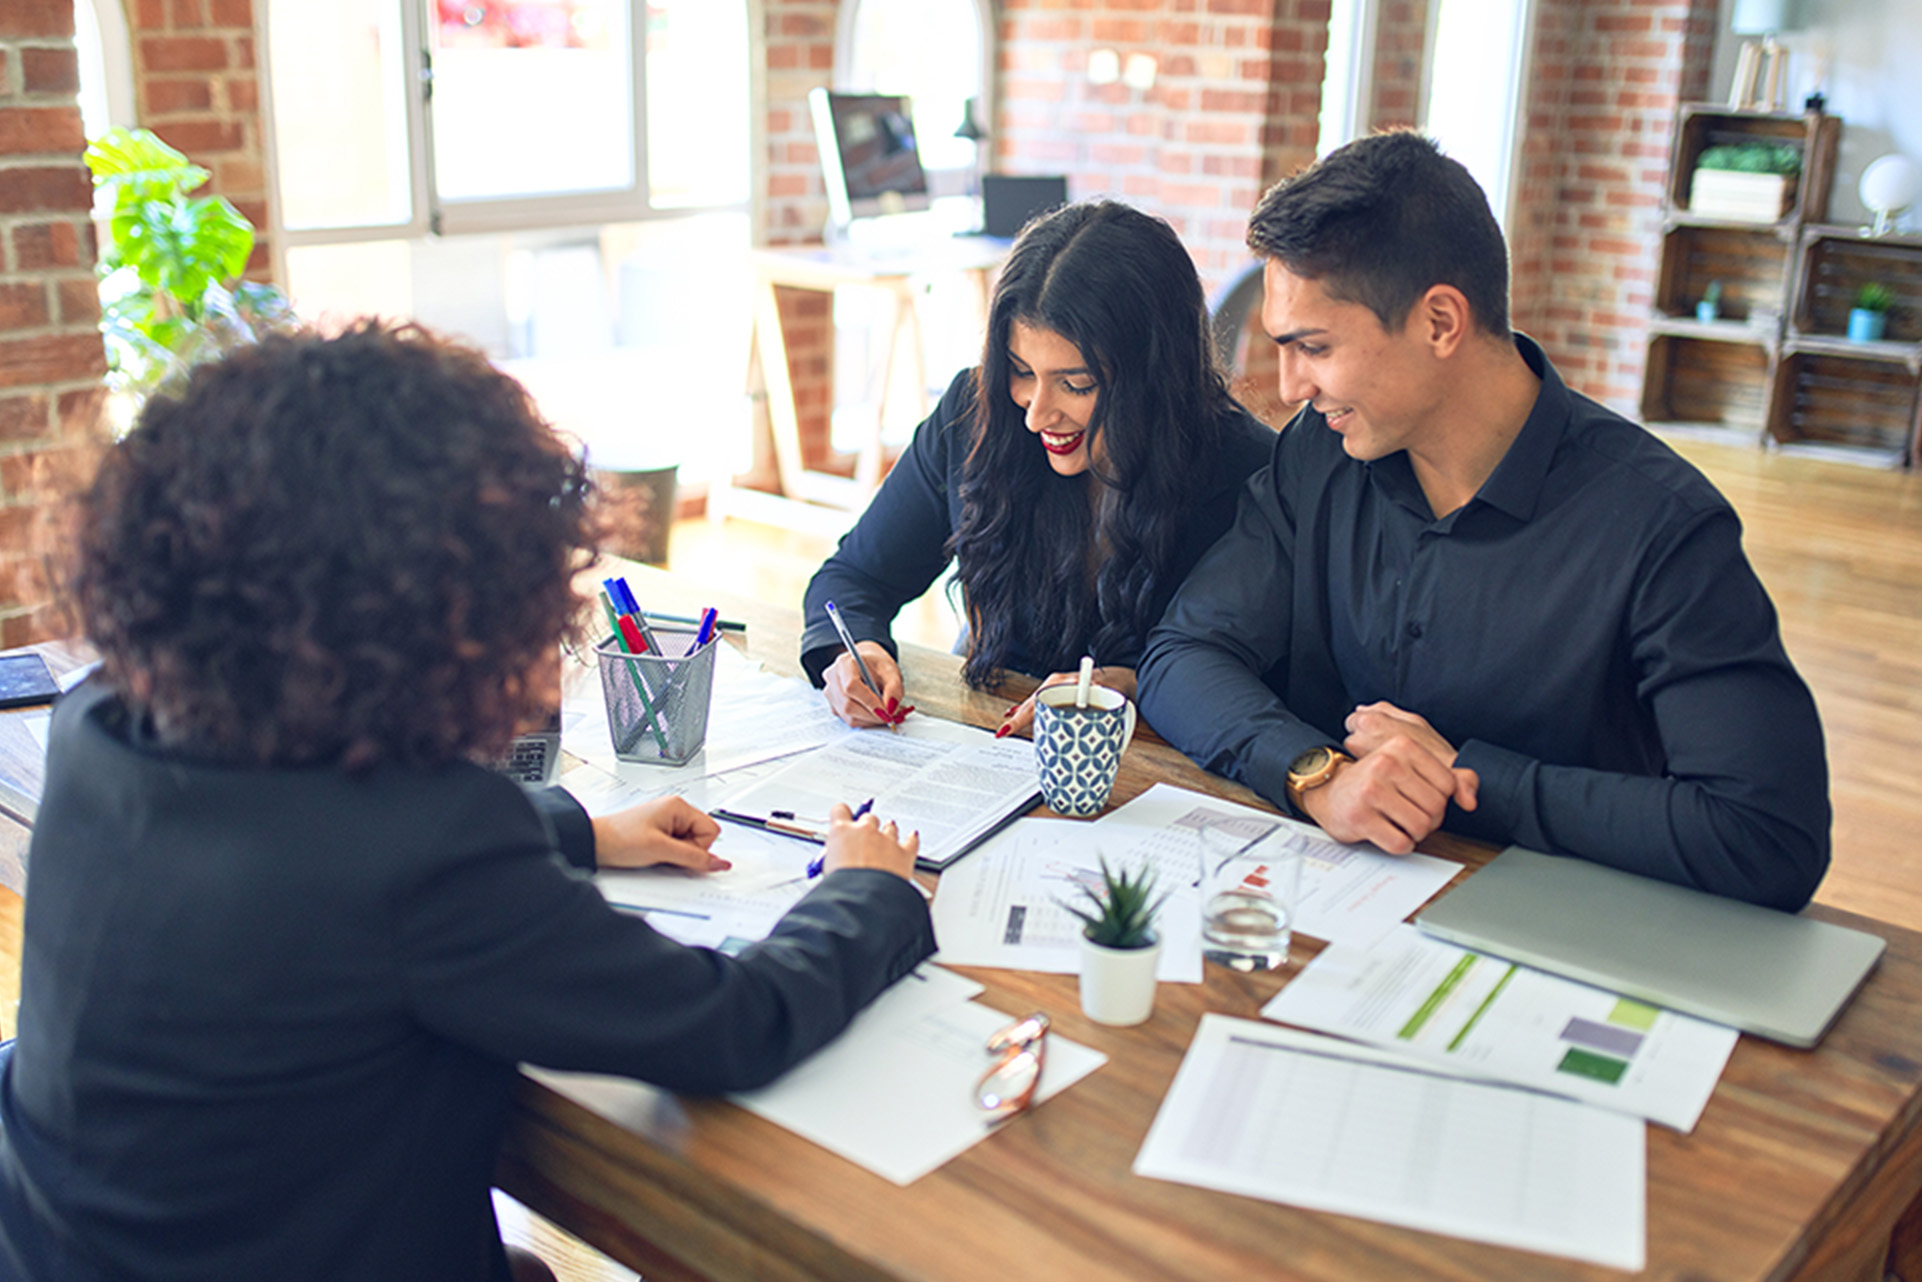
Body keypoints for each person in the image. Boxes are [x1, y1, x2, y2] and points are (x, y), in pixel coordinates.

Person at [0, 322, 934, 1282]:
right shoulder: (426, 846)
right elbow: (729, 1025)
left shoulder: (102, 722)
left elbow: (305, 862)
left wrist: (578, 829)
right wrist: (867, 894)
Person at [1136, 131, 1830, 911]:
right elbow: (1184, 651)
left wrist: (1471, 781)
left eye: (1314, 347)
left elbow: (1768, 836)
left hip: (1563, 936)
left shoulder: (1664, 527)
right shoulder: (1320, 455)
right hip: (1333, 905)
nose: (1290, 386)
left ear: (1440, 322)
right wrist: (1317, 774)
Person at [800, 200, 1276, 735]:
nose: (1035, 414)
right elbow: (855, 577)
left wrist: (1141, 688)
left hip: (1159, 768)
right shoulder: (974, 416)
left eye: (1077, 385)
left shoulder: (1251, 472)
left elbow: (1272, 683)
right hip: (993, 751)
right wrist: (854, 649)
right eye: (1022, 371)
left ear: (1155, 377)